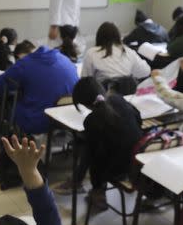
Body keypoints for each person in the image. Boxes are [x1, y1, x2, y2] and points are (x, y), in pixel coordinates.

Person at [60, 77, 143, 209]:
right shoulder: (118, 99)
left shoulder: (91, 121)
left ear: (84, 104)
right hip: (138, 162)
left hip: (120, 170)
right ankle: (83, 184)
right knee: (100, 146)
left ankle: (94, 189)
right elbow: (139, 120)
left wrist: (95, 181)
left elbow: (95, 158)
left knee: (87, 149)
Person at [0, 45, 78, 136]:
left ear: (20, 55)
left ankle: (9, 138)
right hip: (68, 120)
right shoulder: (66, 60)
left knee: (7, 101)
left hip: (38, 122)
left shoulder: (25, 63)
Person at [82, 22, 150, 84]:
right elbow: (146, 71)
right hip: (127, 94)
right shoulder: (128, 52)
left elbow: (85, 80)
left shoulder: (91, 53)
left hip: (104, 94)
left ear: (98, 37)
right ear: (118, 37)